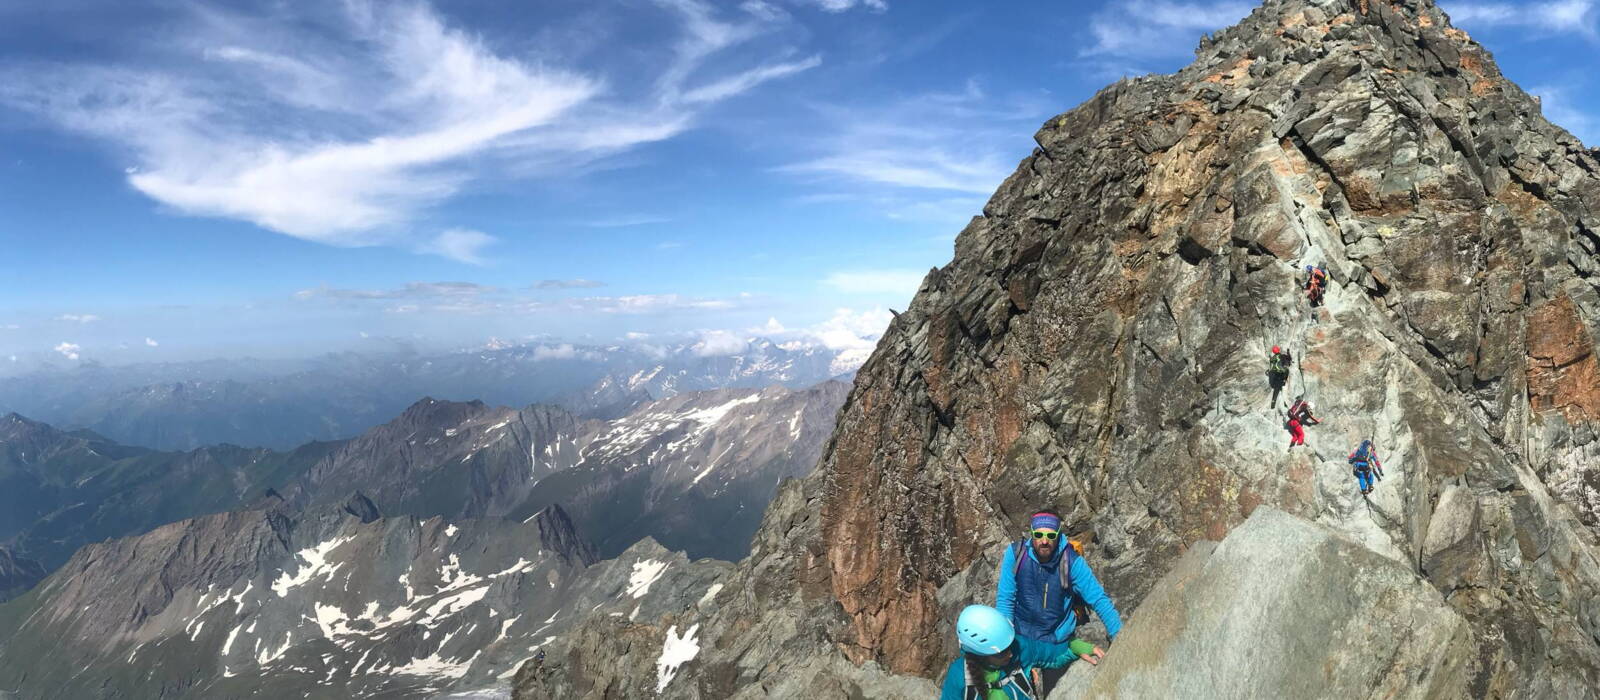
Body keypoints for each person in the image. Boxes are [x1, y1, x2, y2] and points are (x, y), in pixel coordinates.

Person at [996, 511, 1122, 694]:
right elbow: (1005, 600)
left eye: (1050, 535)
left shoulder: (1072, 562)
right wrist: (1005, 645)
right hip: (1020, 639)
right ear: (1031, 533)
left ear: (1059, 535)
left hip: (1056, 642)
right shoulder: (1016, 554)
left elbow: (1098, 600)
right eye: (1038, 535)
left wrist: (1120, 636)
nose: (1044, 541)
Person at [939, 604, 1102, 700]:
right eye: (1001, 652)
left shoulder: (1019, 646)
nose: (1009, 653)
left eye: (1008, 646)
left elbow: (1052, 655)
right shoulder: (958, 675)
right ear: (979, 654)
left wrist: (1076, 646)